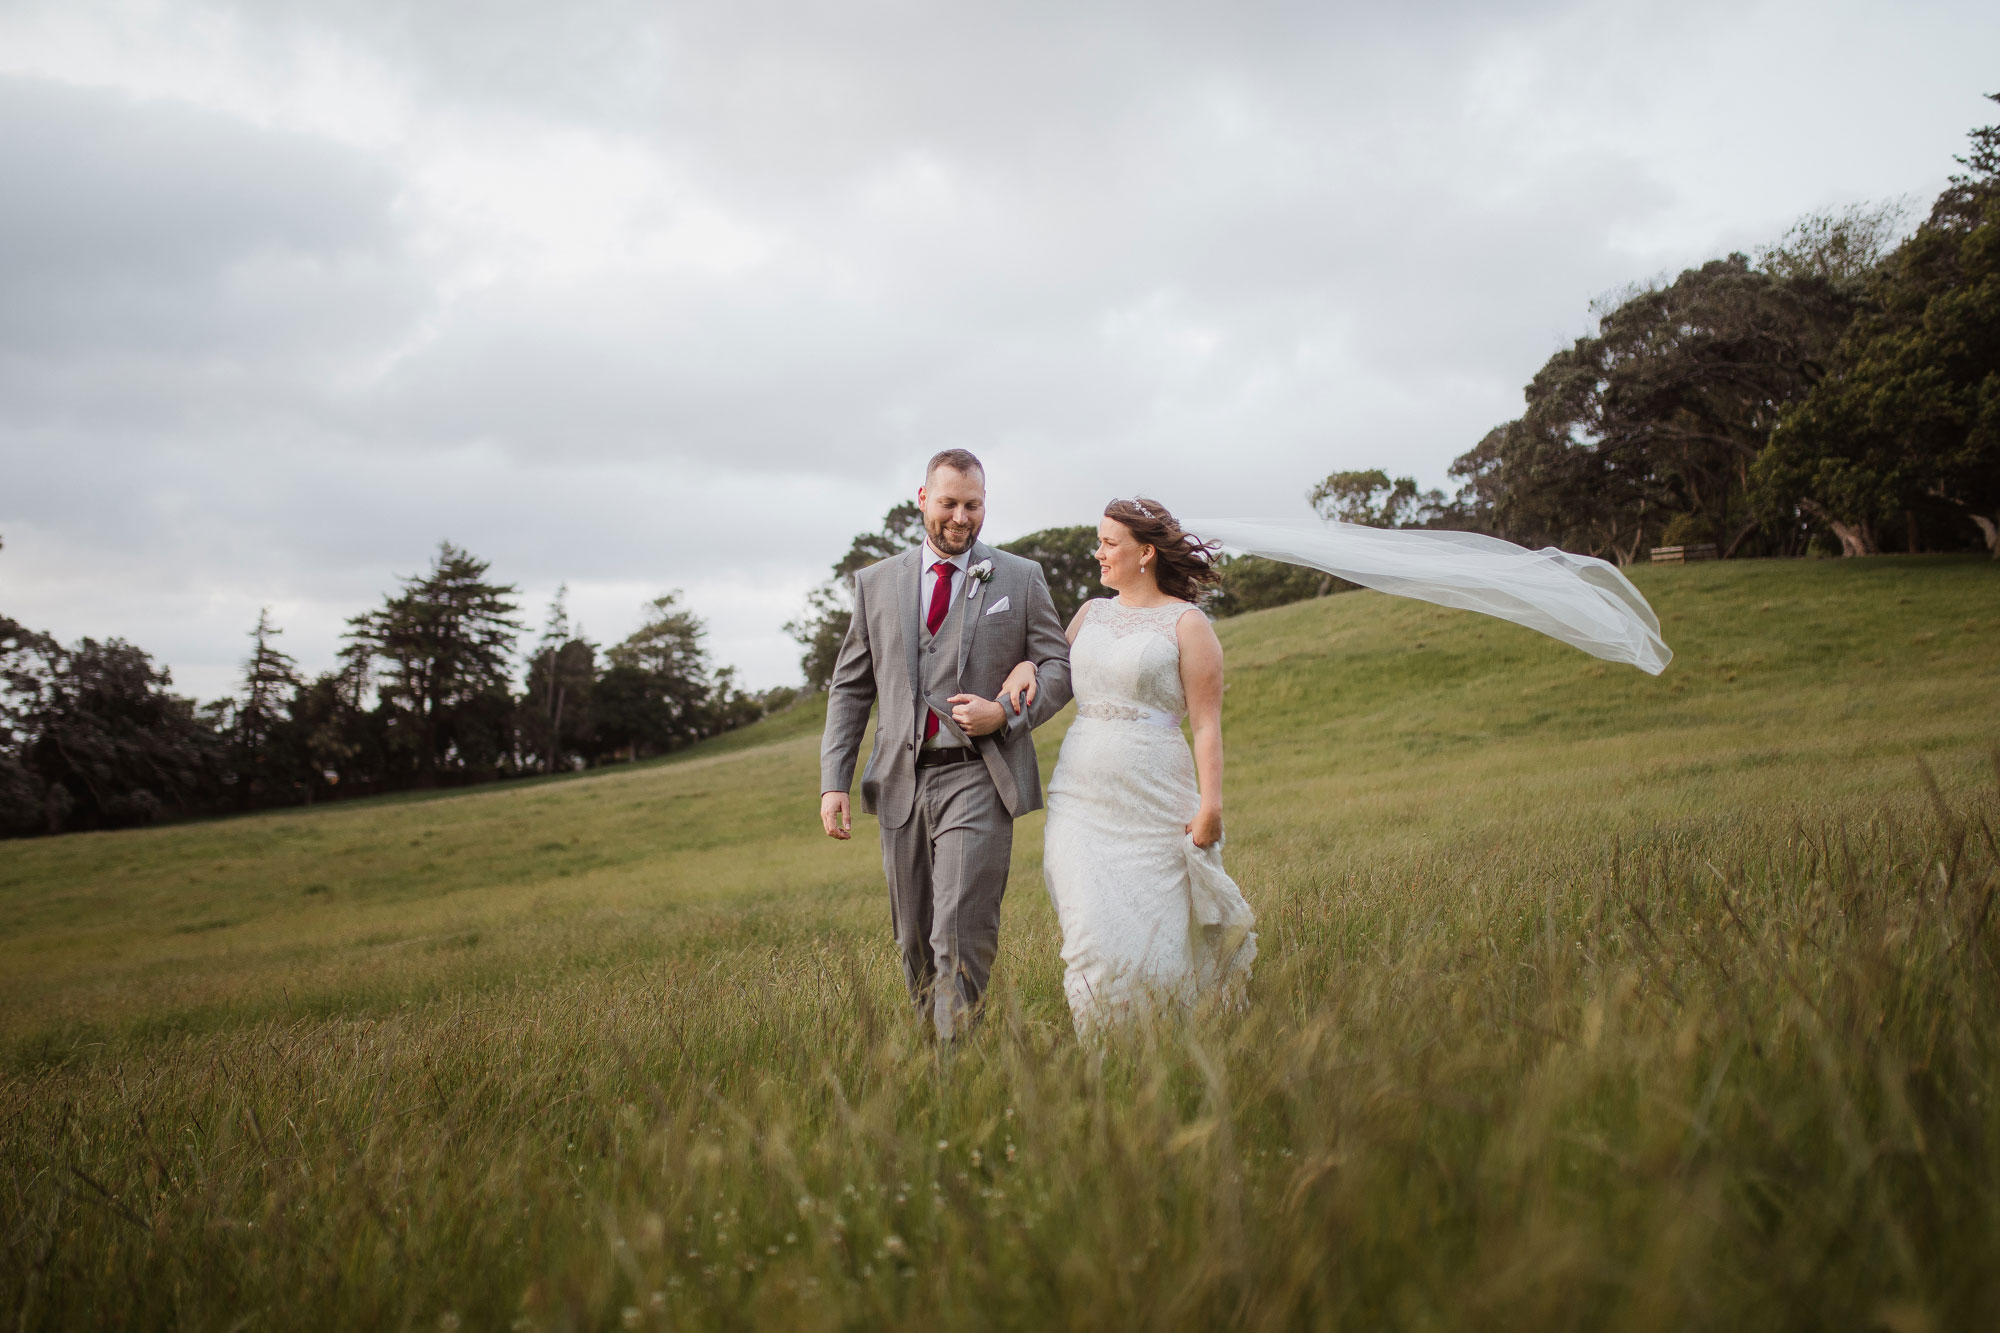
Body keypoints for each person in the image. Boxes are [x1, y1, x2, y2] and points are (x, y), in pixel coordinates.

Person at [817, 449, 1073, 1040]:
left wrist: (1004, 712)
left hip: (980, 776)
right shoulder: (876, 583)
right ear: (922, 501)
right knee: (913, 938)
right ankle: (936, 1060)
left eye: (974, 505)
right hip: (901, 782)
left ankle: (956, 1072)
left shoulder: (1019, 576)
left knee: (958, 933)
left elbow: (1058, 666)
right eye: (950, 504)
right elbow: (851, 688)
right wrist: (835, 780)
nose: (961, 518)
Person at [1000, 497, 1256, 1032]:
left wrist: (1212, 806)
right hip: (1081, 799)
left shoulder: (1187, 625)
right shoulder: (1092, 613)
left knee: (1157, 927)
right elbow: (1055, 672)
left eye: (1109, 543)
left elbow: (1207, 725)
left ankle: (1170, 1035)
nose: (1098, 553)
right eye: (1100, 541)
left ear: (1145, 552)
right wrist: (1027, 663)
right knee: (1088, 930)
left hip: (1155, 798)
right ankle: (1100, 1049)